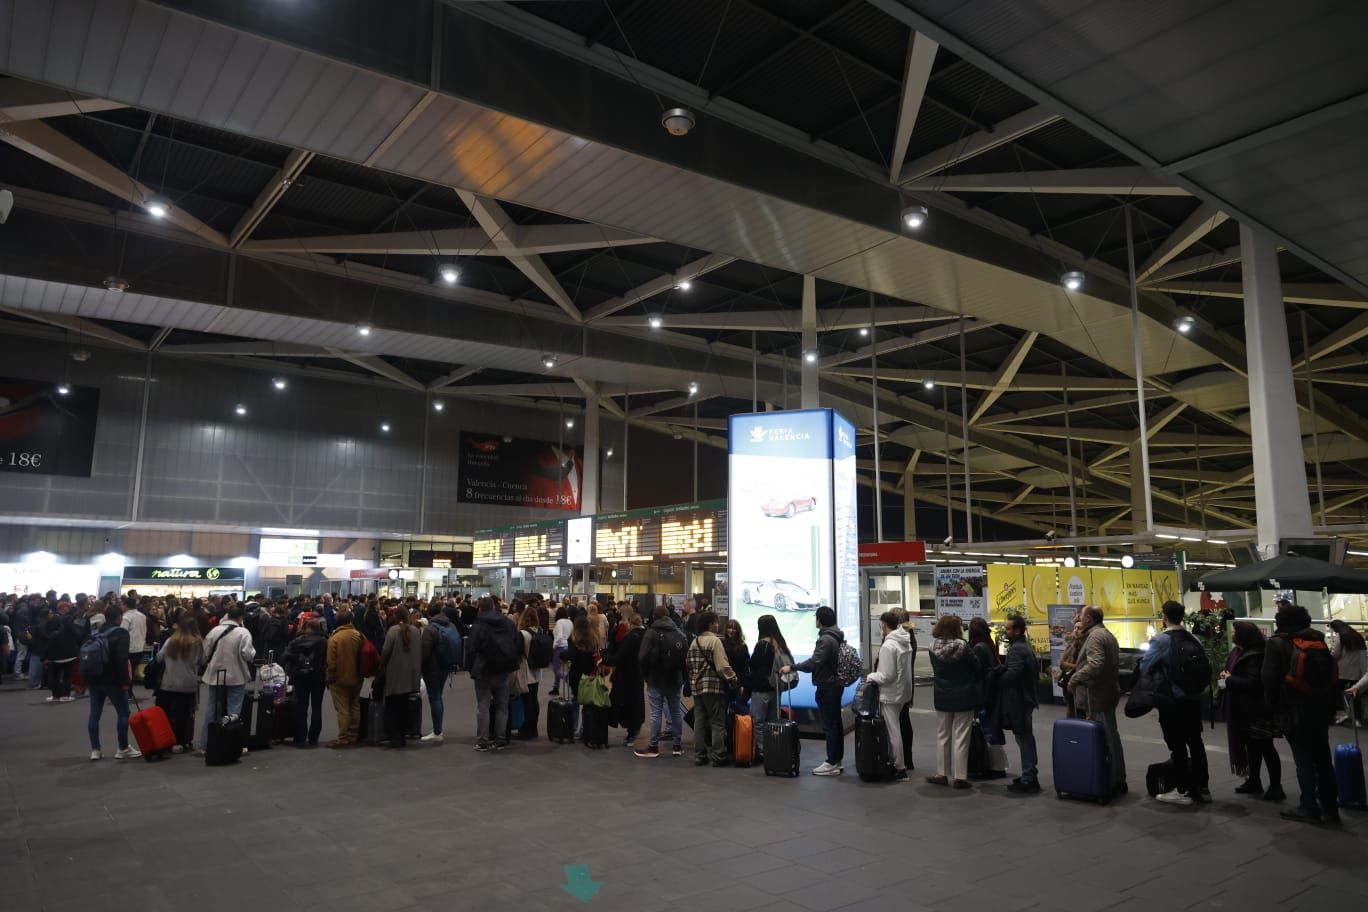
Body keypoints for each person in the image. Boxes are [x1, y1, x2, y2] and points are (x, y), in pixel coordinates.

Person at [1263, 603, 1339, 824]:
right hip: (1320, 708)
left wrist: (1272, 710)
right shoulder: (1318, 641)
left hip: (1293, 710)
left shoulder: (1277, 643)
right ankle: (1330, 808)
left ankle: (1309, 806)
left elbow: (1268, 679)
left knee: (1303, 760)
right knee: (1323, 759)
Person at [1139, 600, 1211, 806]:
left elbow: (1146, 666)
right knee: (1196, 743)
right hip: (1194, 700)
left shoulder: (1162, 641)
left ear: (1164, 616)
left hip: (1172, 701)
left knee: (1177, 746)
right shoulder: (1194, 638)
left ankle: (1183, 790)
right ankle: (1202, 787)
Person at [1219, 621, 1284, 801]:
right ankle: (1254, 780)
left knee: (1265, 747)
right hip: (1243, 708)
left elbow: (1254, 684)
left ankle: (1276, 786)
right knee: (1252, 748)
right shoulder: (1238, 652)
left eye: (1234, 631)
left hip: (1257, 709)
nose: (1232, 634)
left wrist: (1230, 679)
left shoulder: (1256, 655)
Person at [780, 606, 847, 776]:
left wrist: (792, 667)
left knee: (830, 726)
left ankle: (831, 762)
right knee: (835, 725)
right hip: (834, 685)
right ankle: (836, 760)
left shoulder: (825, 640)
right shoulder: (836, 636)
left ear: (820, 620)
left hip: (827, 686)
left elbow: (814, 663)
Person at [1067, 606, 1127, 797]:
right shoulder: (1106, 634)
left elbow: (1095, 665)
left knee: (1105, 737)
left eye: (1082, 616)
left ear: (1089, 619)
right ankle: (1116, 779)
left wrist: (1075, 678)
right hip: (1107, 693)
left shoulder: (1094, 637)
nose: (1078, 618)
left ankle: (1110, 780)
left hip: (1097, 696)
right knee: (1111, 735)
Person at [927, 614, 980, 789]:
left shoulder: (931, 647)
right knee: (961, 737)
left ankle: (942, 773)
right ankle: (960, 776)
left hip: (942, 695)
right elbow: (976, 665)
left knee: (943, 735)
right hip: (964, 695)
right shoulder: (963, 647)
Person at [864, 610, 915, 781]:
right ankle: (900, 765)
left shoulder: (888, 645)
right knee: (897, 729)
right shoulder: (905, 641)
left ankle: (899, 767)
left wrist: (870, 676)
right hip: (903, 693)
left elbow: (886, 675)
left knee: (893, 731)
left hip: (890, 693)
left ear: (885, 625)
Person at [198, 603, 256, 752]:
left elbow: (204, 654)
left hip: (215, 674)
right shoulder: (243, 632)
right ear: (241, 617)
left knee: (212, 708)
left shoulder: (214, 631)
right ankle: (232, 744)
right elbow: (248, 655)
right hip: (236, 675)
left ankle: (205, 744)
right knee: (234, 711)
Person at [995, 613, 1041, 794]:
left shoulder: (1017, 649)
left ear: (1018, 630)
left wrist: (997, 676)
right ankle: (1029, 775)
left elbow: (1012, 675)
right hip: (1026, 699)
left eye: (1008, 628)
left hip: (1020, 700)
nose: (1005, 631)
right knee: (1026, 738)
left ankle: (1029, 778)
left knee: (1024, 739)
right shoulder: (1023, 646)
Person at [685, 610, 737, 767]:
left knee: (699, 722)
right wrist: (733, 679)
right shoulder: (715, 642)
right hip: (713, 688)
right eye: (716, 622)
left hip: (697, 688)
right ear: (710, 624)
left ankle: (699, 755)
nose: (718, 624)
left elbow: (688, 664)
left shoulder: (695, 642)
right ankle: (718, 755)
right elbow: (722, 666)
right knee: (717, 722)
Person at [86, 605, 138, 760]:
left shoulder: (96, 632)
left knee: (95, 713)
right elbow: (122, 659)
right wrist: (125, 681)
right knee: (123, 713)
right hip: (113, 679)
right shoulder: (121, 633)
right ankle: (122, 748)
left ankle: (95, 750)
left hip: (95, 678)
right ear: (119, 618)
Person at [466, 596, 518, 752]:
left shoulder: (478, 625)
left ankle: (483, 740)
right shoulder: (508, 623)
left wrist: (470, 667)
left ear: (480, 608)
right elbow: (516, 642)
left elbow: (471, 649)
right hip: (503, 669)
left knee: (483, 706)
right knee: (502, 706)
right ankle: (500, 739)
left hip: (484, 670)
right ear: (495, 607)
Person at [635, 605, 686, 758]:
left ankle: (653, 746)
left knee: (656, 713)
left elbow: (642, 656)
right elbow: (685, 658)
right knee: (676, 711)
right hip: (675, 679)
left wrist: (645, 675)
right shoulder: (679, 632)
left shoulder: (651, 633)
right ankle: (677, 746)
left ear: (654, 617)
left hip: (656, 679)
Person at [968, 617, 1008, 780]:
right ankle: (998, 765)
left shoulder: (978, 648)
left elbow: (975, 671)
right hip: (991, 692)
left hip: (983, 694)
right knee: (992, 730)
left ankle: (996, 766)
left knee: (988, 731)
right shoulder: (988, 644)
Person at [747, 615, 792, 762]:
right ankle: (775, 748)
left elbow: (753, 665)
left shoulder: (762, 645)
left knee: (758, 722)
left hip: (761, 689)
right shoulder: (780, 644)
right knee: (773, 722)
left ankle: (762, 751)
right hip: (776, 688)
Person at [156, 617, 202, 752]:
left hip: (168, 683)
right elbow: (201, 660)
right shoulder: (197, 643)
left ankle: (165, 739)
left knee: (166, 713)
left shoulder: (171, 640)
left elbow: (159, 657)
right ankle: (181, 741)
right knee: (184, 714)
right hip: (188, 684)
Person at [379, 607, 421, 749]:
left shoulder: (393, 631)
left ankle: (395, 737)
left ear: (396, 617)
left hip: (395, 673)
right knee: (404, 706)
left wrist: (381, 665)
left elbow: (385, 651)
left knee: (392, 707)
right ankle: (403, 735)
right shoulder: (415, 631)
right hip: (411, 674)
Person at [283, 618, 328, 747]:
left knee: (301, 707)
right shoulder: (324, 642)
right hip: (318, 676)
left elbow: (285, 656)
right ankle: (314, 738)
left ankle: (300, 737)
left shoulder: (296, 642)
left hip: (300, 676)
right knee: (317, 707)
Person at [607, 605, 646, 748]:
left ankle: (631, 731)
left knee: (620, 702)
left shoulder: (630, 637)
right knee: (635, 703)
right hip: (638, 675)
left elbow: (619, 656)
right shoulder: (645, 635)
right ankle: (633, 729)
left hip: (625, 675)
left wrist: (606, 659)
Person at [420, 607, 460, 743]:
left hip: (432, 669)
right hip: (446, 666)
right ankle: (438, 729)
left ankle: (437, 731)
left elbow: (424, 653)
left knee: (435, 698)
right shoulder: (450, 625)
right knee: (438, 696)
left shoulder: (430, 629)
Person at [325, 609, 365, 748]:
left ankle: (343, 737)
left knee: (342, 709)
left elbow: (331, 662)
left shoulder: (335, 638)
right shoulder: (359, 635)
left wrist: (329, 678)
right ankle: (353, 734)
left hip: (339, 678)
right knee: (354, 705)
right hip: (357, 676)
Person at [1330, 620, 1366, 724]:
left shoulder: (1340, 636)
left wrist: (1330, 655)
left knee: (1335, 692)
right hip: (1357, 671)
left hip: (1344, 670)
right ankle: (1357, 719)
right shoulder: (1357, 635)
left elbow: (1336, 653)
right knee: (1355, 693)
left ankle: (1339, 715)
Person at [43, 607, 80, 703]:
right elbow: (80, 642)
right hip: (70, 657)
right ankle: (65, 695)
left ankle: (55, 695)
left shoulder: (55, 634)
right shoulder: (75, 632)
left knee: (55, 677)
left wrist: (45, 657)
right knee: (67, 677)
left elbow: (49, 647)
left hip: (56, 659)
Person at [551, 605, 573, 697]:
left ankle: (568, 679)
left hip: (560, 647)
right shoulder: (570, 621)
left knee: (556, 669)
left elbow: (559, 636)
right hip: (568, 646)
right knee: (561, 668)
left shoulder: (559, 622)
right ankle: (556, 687)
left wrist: (554, 646)